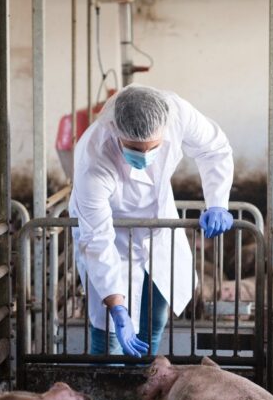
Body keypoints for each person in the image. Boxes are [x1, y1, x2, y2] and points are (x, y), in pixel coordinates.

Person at [68, 85, 234, 358]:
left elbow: (214, 149)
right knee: (109, 331)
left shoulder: (177, 112)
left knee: (155, 320)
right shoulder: (93, 158)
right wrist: (117, 307)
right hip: (112, 233)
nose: (144, 156)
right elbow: (97, 240)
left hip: (160, 229)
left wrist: (217, 202)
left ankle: (143, 385)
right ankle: (105, 390)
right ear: (115, 131)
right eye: (134, 148)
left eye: (153, 147)